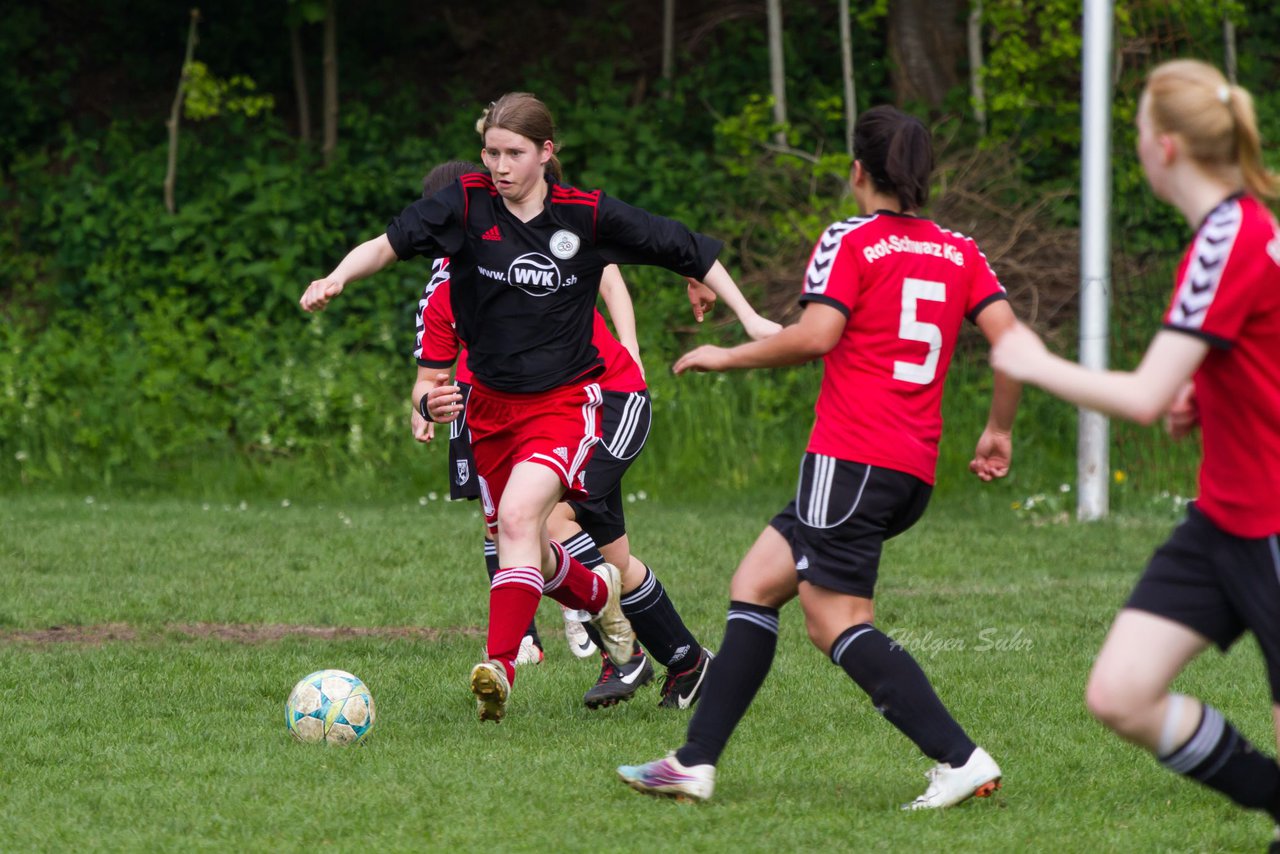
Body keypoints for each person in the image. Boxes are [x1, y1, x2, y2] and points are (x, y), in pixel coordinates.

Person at [300, 92, 776, 723]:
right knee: (537, 540)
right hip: (492, 413)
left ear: (546, 154)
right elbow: (387, 244)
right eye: (491, 152)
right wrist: (337, 276)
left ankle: (500, 667)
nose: (499, 165)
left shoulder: (585, 216)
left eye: (514, 154)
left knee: (527, 518)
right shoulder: (466, 206)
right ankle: (603, 598)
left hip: (569, 403)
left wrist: (748, 317)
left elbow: (683, 244)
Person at [617, 105, 1022, 808]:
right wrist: (999, 429)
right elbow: (1010, 338)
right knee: (756, 583)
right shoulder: (961, 249)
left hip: (852, 458)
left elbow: (815, 335)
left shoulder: (851, 240)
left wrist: (726, 355)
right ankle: (694, 762)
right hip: (907, 468)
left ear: (857, 170)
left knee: (835, 622)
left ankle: (961, 758)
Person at [991, 59, 1280, 849]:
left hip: (1273, 520)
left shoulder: (1232, 235)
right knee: (1121, 693)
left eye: (1137, 134)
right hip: (1227, 519)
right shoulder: (1235, 229)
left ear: (1166, 147)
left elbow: (1146, 398)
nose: (1137, 148)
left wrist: (1032, 361)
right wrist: (1211, 392)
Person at [411, 161, 724, 708]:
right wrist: (427, 401)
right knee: (610, 555)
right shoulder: (453, 273)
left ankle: (619, 657)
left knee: (541, 519)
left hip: (608, 398)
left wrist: (629, 343)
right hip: (532, 412)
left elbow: (612, 260)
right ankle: (688, 662)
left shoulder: (534, 228)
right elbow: (435, 366)